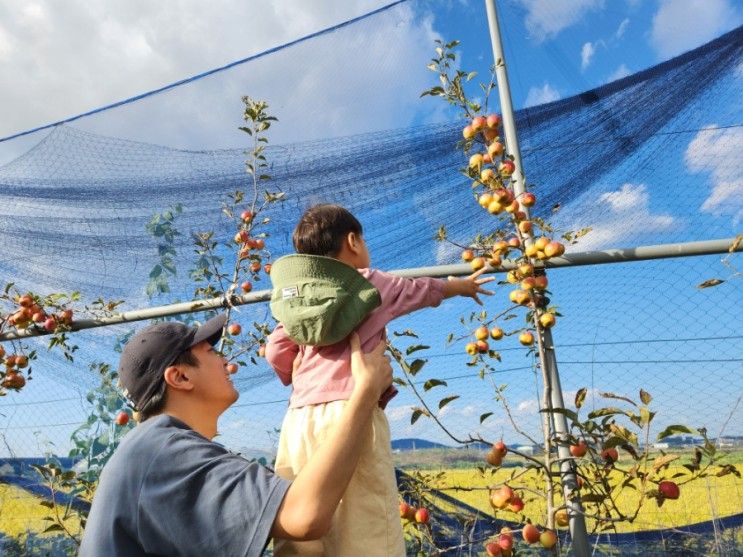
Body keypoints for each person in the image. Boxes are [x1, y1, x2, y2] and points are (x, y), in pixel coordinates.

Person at [266, 204, 493, 556]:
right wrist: (461, 286)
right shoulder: (367, 282)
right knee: (364, 522)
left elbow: (276, 349)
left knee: (302, 521)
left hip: (298, 420)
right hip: (351, 412)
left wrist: (294, 372)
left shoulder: (298, 303)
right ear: (353, 241)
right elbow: (417, 289)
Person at [79, 312, 393, 557]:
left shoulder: (151, 449)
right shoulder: (163, 449)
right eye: (210, 351)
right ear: (180, 376)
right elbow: (304, 514)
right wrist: (364, 393)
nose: (225, 360)